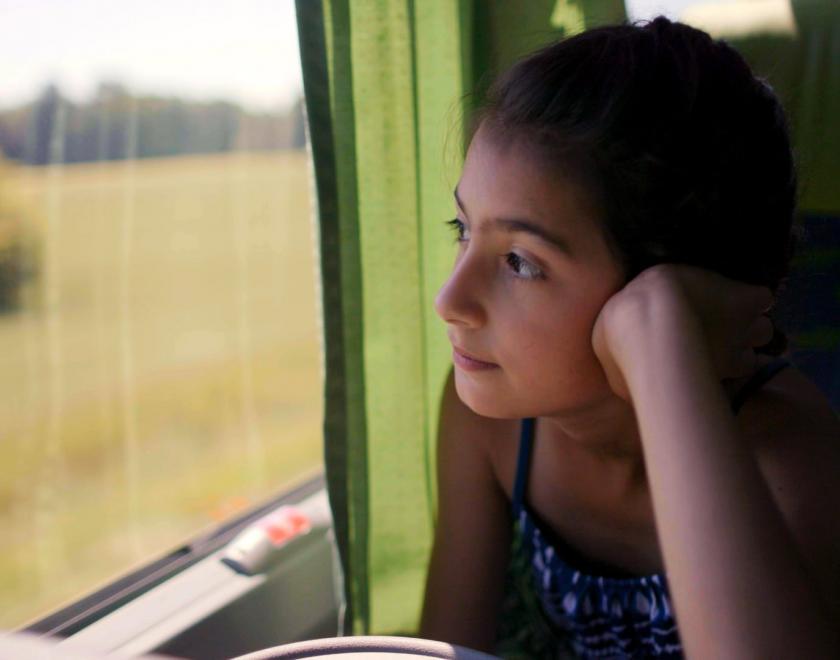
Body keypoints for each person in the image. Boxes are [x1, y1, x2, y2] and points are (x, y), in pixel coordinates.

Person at [419, 16, 840, 659]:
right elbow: (445, 648)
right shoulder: (488, 420)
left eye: (520, 262)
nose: (449, 301)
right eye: (463, 229)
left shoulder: (788, 460)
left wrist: (658, 332)